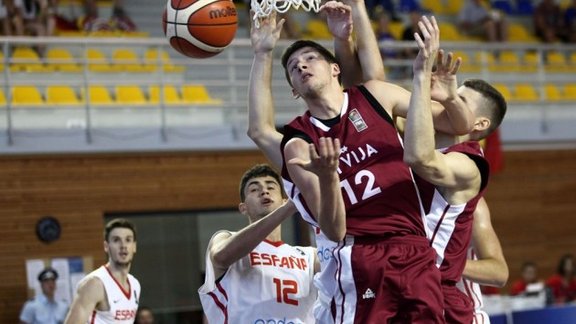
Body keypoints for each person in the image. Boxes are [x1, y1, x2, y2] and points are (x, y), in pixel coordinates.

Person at [198, 164, 318, 323]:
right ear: (243, 208)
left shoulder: (310, 256)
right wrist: (289, 208)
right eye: (254, 189)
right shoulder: (224, 238)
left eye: (271, 187)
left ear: (283, 200)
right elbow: (221, 256)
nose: (264, 191)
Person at [64, 218, 141, 324]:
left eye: (128, 240)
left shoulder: (135, 284)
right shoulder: (94, 284)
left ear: (134, 246)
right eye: (116, 240)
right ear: (106, 246)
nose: (123, 246)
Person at [457, 198, 508, 323]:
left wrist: (448, 264)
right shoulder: (404, 202)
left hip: (460, 316)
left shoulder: (470, 203)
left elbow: (499, 272)